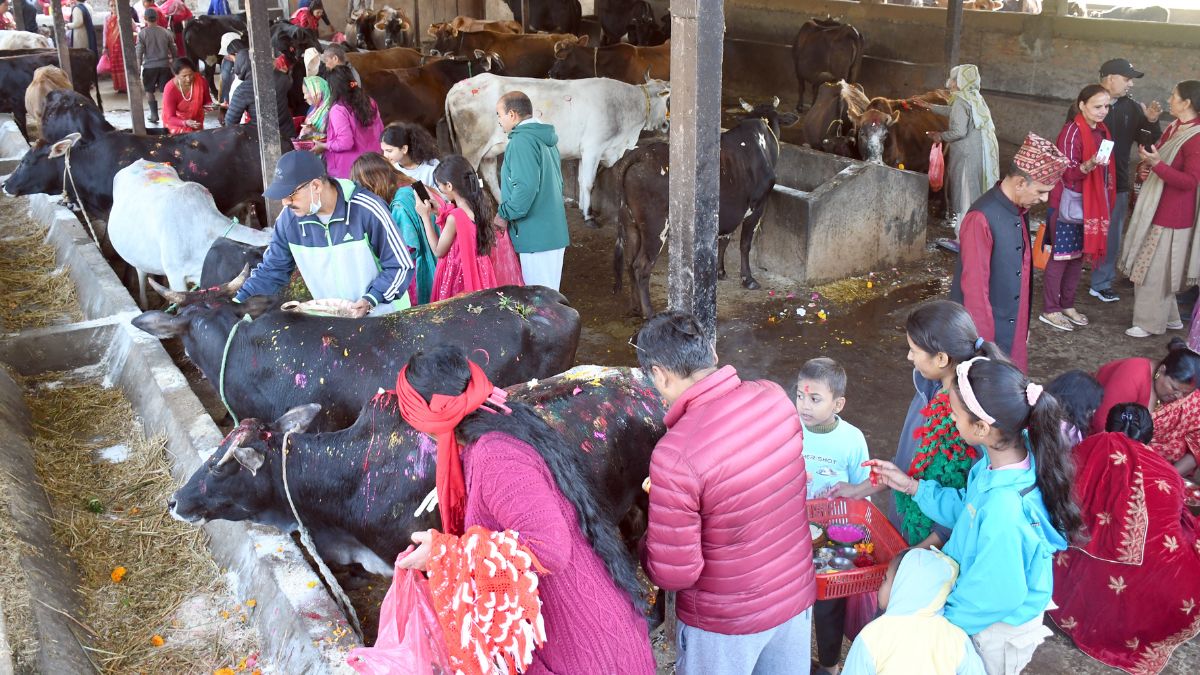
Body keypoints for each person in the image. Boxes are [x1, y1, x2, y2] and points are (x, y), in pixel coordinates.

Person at [392, 345, 656, 674]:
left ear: (427, 419)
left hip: (581, 646)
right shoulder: (505, 420)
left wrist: (447, 554)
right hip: (582, 625)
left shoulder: (496, 456)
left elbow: (549, 549)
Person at [865, 357, 1080, 675]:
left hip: (990, 630)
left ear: (981, 428)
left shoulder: (1005, 511)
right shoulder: (998, 464)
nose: (950, 418)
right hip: (974, 607)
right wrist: (913, 487)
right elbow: (967, 510)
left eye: (954, 413)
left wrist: (935, 622)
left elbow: (997, 594)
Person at [637, 311, 815, 675]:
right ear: (713, 354)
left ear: (659, 374)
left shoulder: (675, 456)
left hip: (726, 624)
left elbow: (676, 574)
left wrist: (648, 533)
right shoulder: (775, 398)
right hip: (793, 600)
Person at [1049, 404, 1200, 674]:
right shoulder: (1167, 475)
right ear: (1149, 438)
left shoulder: (1081, 451)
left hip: (1071, 568)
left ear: (1107, 426)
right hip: (1148, 579)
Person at [835, 301, 987, 548]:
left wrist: (914, 555)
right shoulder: (928, 390)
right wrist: (857, 490)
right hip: (904, 529)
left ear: (940, 358)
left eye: (914, 350)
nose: (908, 357)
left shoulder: (967, 419)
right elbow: (906, 463)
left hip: (931, 548)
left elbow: (962, 502)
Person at [233, 150, 414, 316]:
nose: (285, 202)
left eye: (291, 194)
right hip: (334, 322)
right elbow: (271, 270)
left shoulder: (367, 209)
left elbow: (400, 266)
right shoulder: (288, 221)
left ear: (316, 186)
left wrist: (371, 299)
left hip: (384, 317)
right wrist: (236, 302)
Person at [951, 133, 1069, 372]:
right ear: (1020, 183)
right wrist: (985, 348)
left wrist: (1023, 327)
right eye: (1041, 191)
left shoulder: (1018, 210)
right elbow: (975, 290)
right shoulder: (981, 218)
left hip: (1012, 327)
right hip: (988, 338)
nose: (1044, 199)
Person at [795, 357, 870, 675]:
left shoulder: (851, 440)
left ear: (838, 403)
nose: (804, 405)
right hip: (793, 528)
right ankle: (793, 660)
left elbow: (862, 489)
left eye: (815, 398)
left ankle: (829, 664)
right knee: (794, 603)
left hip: (836, 534)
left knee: (828, 604)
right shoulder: (789, 427)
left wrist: (859, 533)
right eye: (799, 395)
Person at [1121, 80, 1200, 338]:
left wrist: (1157, 166)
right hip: (1161, 206)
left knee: (1151, 268)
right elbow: (1162, 159)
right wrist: (1149, 166)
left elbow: (1190, 182)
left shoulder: (1196, 137)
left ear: (1187, 102)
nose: (1169, 99)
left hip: (1172, 213)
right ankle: (1170, 318)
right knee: (1161, 267)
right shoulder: (1178, 126)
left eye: (1173, 95)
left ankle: (1148, 323)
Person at [1040, 84, 1115, 332]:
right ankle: (1051, 309)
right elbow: (1067, 172)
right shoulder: (1072, 132)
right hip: (1069, 203)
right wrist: (1088, 165)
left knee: (1077, 258)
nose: (1103, 111)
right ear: (1082, 105)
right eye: (1097, 106)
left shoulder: (1103, 131)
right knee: (1061, 258)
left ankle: (1067, 304)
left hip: (1090, 205)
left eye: (1106, 106)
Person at [843, 548, 986, 675]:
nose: (882, 582)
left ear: (902, 586)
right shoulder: (956, 638)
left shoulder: (872, 636)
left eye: (885, 578)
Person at [1089, 58, 1163, 303]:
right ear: (1110, 78)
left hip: (1117, 182)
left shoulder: (1131, 108)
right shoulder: (1087, 102)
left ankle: (1101, 281)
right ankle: (1065, 277)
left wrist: (1151, 121)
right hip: (1086, 179)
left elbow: (1149, 141)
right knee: (1078, 228)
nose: (1130, 84)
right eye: (1127, 78)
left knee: (1112, 234)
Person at [413, 155, 523, 301]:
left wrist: (425, 217)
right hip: (480, 273)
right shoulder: (478, 205)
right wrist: (441, 211)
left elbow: (438, 251)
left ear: (449, 186)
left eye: (439, 185)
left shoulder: (455, 217)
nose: (439, 189)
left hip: (459, 280)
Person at [493, 91, 570, 291]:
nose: (499, 121)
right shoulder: (544, 138)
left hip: (536, 235)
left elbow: (525, 188)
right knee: (550, 297)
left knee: (540, 302)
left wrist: (503, 214)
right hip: (551, 231)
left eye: (499, 115)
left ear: (512, 115)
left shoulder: (522, 141)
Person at [1091, 338, 1200, 474]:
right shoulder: (1132, 374)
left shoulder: (1188, 396)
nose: (1179, 397)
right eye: (1174, 388)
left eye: (1185, 393)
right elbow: (1103, 426)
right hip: (1112, 444)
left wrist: (1170, 477)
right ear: (1162, 369)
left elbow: (1197, 441)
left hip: (1148, 456)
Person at [925, 64, 1000, 248]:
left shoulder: (960, 100)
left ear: (960, 82)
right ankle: (975, 235)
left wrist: (940, 135)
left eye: (952, 79)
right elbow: (956, 113)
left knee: (963, 193)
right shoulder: (974, 98)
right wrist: (931, 107)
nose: (949, 82)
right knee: (974, 192)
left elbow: (958, 130)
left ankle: (962, 239)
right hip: (979, 153)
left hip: (966, 156)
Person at [350, 152, 436, 305]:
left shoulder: (399, 205)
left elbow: (406, 251)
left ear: (372, 183)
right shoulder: (412, 183)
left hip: (423, 272)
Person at [313, 65, 383, 179]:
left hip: (351, 170)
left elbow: (345, 142)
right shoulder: (369, 101)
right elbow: (380, 130)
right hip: (374, 162)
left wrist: (324, 146)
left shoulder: (338, 109)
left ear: (333, 88)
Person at [223, 47, 295, 149]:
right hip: (287, 135)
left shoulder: (243, 89)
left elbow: (230, 122)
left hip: (260, 141)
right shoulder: (282, 78)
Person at [136, 7, 174, 125]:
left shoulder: (142, 34)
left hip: (149, 67)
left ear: (145, 19)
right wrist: (175, 62)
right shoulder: (166, 32)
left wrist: (138, 68)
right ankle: (167, 114)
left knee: (149, 91)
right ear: (157, 18)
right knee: (165, 91)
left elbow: (139, 53)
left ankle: (154, 115)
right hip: (165, 65)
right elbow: (174, 49)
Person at [1044, 369, 1103, 446]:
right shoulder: (1063, 431)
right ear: (1079, 405)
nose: (1094, 411)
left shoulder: (1044, 410)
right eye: (1090, 407)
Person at [381, 123, 441, 188]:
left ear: (404, 149)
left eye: (389, 151)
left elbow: (444, 195)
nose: (385, 155)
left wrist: (413, 182)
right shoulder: (391, 169)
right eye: (383, 150)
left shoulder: (431, 166)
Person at [161, 57, 211, 135]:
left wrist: (216, 106)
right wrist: (185, 123)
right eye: (184, 76)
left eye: (191, 75)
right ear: (175, 75)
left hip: (196, 121)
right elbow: (170, 118)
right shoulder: (170, 90)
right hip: (177, 123)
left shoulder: (201, 81)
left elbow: (207, 101)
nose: (188, 79)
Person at [102, 0, 125, 93]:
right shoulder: (107, 18)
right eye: (112, 6)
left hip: (122, 47)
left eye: (115, 6)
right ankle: (118, 86)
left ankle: (125, 86)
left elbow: (135, 27)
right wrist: (104, 46)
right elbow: (105, 33)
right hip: (112, 47)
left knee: (123, 66)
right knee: (115, 66)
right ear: (109, 7)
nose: (114, 8)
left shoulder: (124, 17)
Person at [299, 75, 330, 139]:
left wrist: (314, 132)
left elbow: (335, 140)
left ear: (316, 91)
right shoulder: (313, 109)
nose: (304, 97)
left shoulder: (332, 110)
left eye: (306, 93)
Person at [216, 32, 242, 105]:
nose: (227, 56)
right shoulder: (226, 61)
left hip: (239, 101)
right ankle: (225, 100)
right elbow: (224, 82)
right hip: (228, 102)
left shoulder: (243, 61)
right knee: (225, 78)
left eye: (231, 54)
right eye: (226, 54)